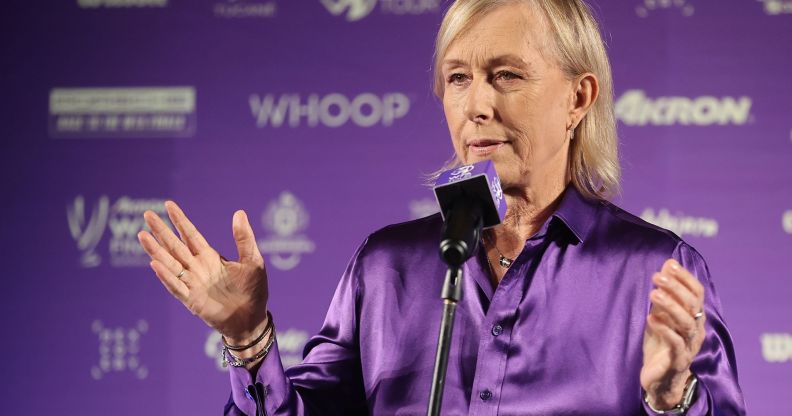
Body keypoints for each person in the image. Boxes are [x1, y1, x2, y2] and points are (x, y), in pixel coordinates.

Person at [138, 0, 747, 414]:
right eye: (458, 78)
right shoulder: (386, 267)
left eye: (506, 75)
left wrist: (674, 397)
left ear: (578, 97)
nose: (476, 104)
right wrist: (248, 339)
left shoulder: (658, 270)